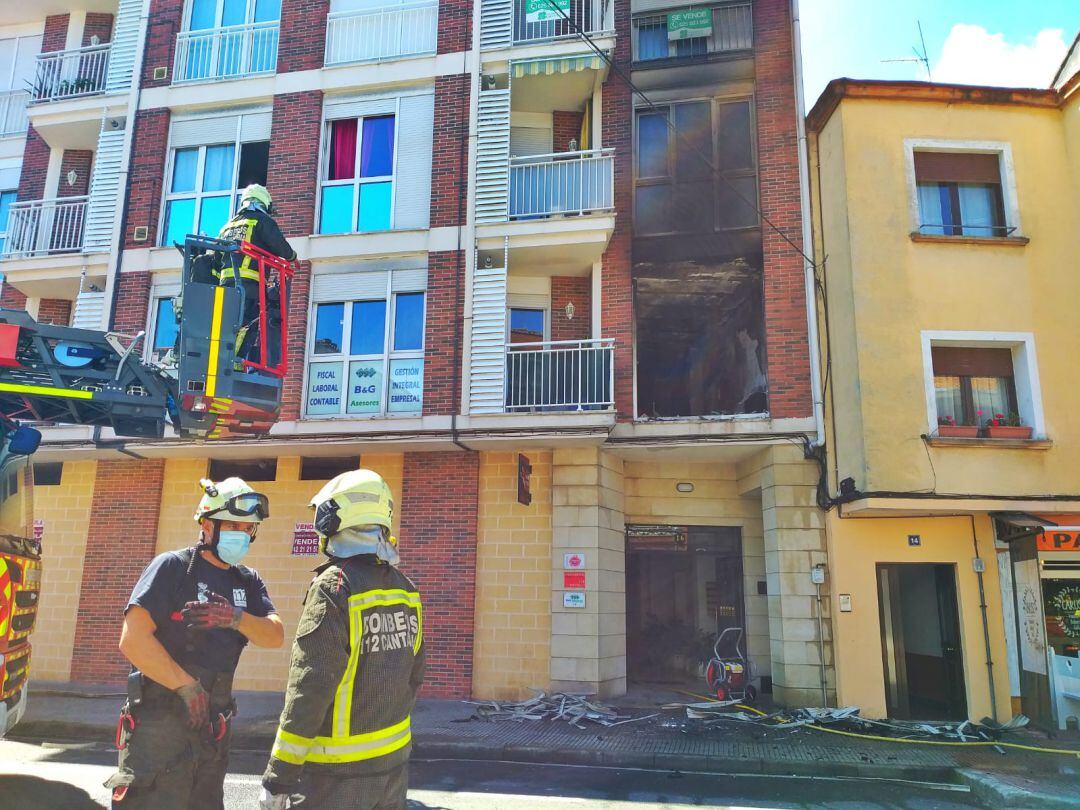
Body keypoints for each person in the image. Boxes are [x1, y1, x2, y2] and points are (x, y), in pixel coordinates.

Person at [106, 477, 285, 809]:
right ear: (206, 523)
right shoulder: (173, 568)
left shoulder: (247, 580)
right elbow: (132, 640)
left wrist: (236, 618)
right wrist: (186, 687)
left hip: (212, 732)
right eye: (233, 524)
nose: (242, 534)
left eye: (248, 528)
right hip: (157, 732)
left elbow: (275, 636)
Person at [260, 469, 425, 810]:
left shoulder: (335, 587)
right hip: (393, 768)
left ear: (338, 518)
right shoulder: (406, 589)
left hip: (337, 778)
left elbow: (310, 688)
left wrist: (280, 777)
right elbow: (414, 677)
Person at [216, 184, 296, 365]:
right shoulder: (262, 221)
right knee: (248, 324)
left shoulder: (227, 226)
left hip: (225, 284)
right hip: (249, 282)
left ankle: (224, 360)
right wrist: (292, 257)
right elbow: (279, 245)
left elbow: (216, 256)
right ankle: (234, 362)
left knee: (228, 324)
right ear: (263, 202)